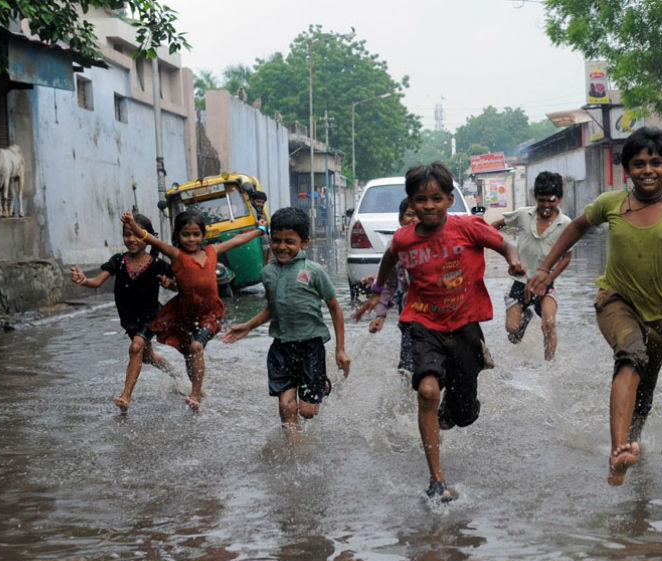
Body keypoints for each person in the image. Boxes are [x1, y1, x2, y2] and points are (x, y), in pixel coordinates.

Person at [527, 126, 662, 486]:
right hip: (614, 299)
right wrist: (544, 267)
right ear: (627, 169)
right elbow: (576, 228)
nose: (648, 169)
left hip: (661, 315)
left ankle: (632, 442)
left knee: (643, 399)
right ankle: (618, 457)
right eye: (639, 163)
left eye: (656, 162)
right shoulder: (611, 203)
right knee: (631, 354)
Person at [354, 162, 524, 503]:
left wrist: (513, 260)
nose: (428, 206)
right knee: (428, 392)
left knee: (464, 414)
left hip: (464, 326)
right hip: (423, 323)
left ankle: (454, 410)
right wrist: (376, 293)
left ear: (448, 199)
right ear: (411, 203)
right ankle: (436, 478)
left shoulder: (468, 227)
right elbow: (389, 259)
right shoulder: (404, 238)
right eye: (420, 199)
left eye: (436, 198)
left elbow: (504, 243)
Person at [223, 207, 351, 436]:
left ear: (304, 243)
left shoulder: (314, 271)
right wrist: (248, 325)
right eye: (277, 241)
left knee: (308, 412)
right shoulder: (268, 273)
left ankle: (322, 384)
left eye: (289, 241)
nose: (282, 247)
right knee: (285, 406)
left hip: (311, 346)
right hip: (281, 347)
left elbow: (335, 307)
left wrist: (340, 350)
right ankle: (294, 454)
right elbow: (273, 308)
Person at [121, 209, 265, 410]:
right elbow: (151, 240)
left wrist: (260, 229)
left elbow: (237, 241)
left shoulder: (212, 252)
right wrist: (133, 225)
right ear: (178, 236)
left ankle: (195, 395)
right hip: (185, 315)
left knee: (196, 347)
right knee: (190, 355)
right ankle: (194, 387)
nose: (191, 239)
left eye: (196, 234)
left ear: (203, 236)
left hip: (211, 313)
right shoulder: (177, 256)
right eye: (186, 234)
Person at [70, 213, 176, 411]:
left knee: (136, 347)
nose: (132, 240)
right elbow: (97, 281)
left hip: (152, 316)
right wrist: (84, 280)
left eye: (136, 235)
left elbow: (178, 285)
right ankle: (177, 376)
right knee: (147, 357)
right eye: (127, 235)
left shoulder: (156, 264)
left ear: (147, 236)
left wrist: (170, 285)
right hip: (129, 319)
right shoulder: (118, 261)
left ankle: (126, 396)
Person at [486, 171, 572, 360]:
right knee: (513, 333)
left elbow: (566, 258)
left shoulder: (565, 224)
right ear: (535, 198)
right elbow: (493, 227)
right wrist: (506, 254)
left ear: (560, 199)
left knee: (549, 323)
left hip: (546, 284)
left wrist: (548, 279)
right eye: (542, 201)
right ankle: (525, 318)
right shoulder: (524, 215)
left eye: (551, 201)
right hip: (519, 282)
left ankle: (549, 365)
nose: (546, 206)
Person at [359, 198, 418, 374]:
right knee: (407, 362)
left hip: (436, 308)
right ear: (400, 220)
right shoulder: (396, 244)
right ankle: (407, 392)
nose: (414, 219)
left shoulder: (436, 241)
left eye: (419, 215)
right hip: (408, 305)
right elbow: (391, 281)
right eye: (409, 215)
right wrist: (381, 315)